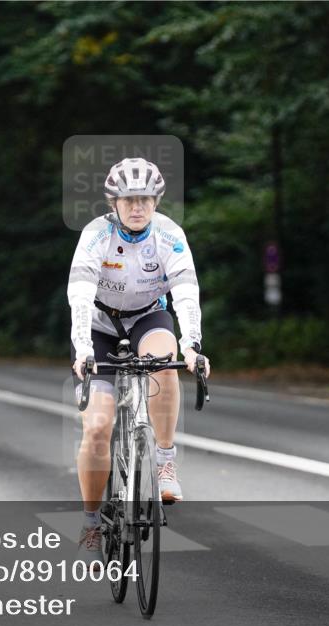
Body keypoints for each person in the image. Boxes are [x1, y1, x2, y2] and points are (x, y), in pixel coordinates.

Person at [67, 157, 210, 565]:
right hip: (99, 325)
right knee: (97, 427)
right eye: (129, 199)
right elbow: (78, 295)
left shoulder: (169, 234)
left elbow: (186, 292)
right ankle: (92, 520)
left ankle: (165, 462)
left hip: (149, 317)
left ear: (156, 201)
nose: (137, 207)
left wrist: (193, 346)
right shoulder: (96, 234)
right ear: (113, 202)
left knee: (164, 364)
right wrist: (83, 350)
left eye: (146, 199)